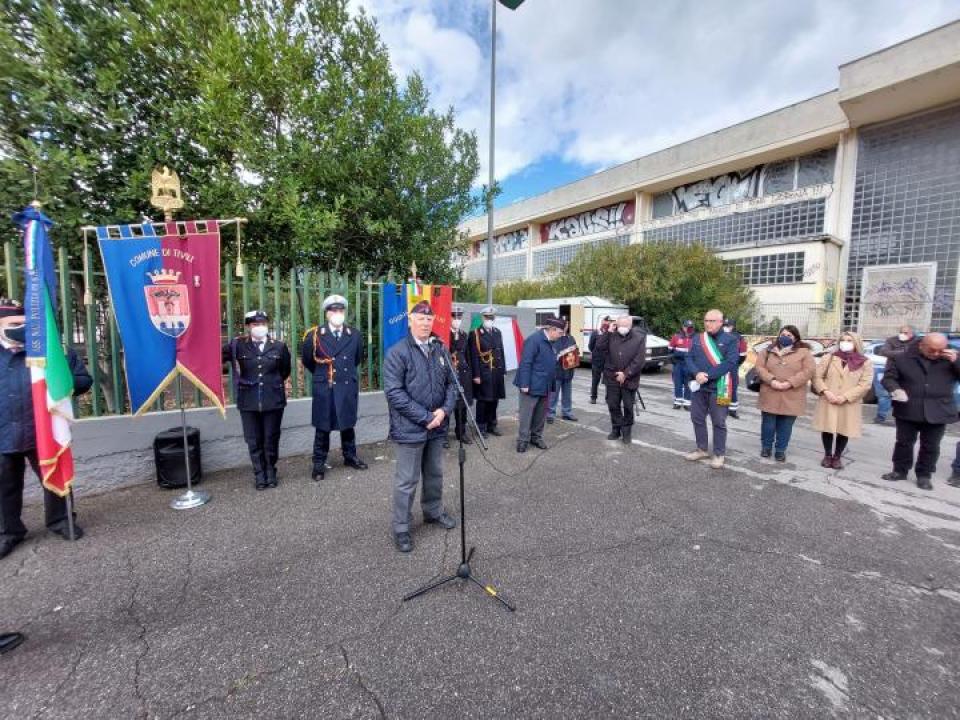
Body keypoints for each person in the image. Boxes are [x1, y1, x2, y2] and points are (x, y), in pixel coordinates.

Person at [1, 298, 92, 560]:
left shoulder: (49, 352)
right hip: (4, 430)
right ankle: (8, 532)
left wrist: (59, 377)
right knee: (4, 485)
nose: (22, 328)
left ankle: (61, 521)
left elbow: (84, 380)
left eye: (25, 323)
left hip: (42, 430)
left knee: (55, 479)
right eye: (15, 323)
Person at [383, 301, 458, 553]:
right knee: (407, 480)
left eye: (429, 320)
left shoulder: (440, 349)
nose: (425, 323)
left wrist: (444, 411)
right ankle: (402, 527)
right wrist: (426, 416)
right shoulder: (398, 352)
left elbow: (452, 384)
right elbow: (394, 393)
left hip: (436, 426)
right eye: (420, 319)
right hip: (410, 428)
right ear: (410, 321)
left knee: (435, 473)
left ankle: (433, 512)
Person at [301, 294, 368, 482]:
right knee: (323, 427)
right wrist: (324, 374)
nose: (338, 314)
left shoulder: (353, 334)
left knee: (347, 425)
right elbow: (308, 360)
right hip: (326, 385)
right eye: (334, 311)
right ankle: (319, 463)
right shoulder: (315, 335)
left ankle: (350, 456)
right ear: (327, 313)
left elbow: (356, 358)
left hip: (346, 384)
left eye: (340, 310)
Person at [881, 332, 960, 490]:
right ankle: (899, 470)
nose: (936, 354)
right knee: (904, 443)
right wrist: (895, 389)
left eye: (940, 350)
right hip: (908, 407)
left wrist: (957, 362)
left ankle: (924, 475)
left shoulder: (951, 358)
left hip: (938, 409)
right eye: (932, 350)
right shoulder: (902, 358)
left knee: (931, 446)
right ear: (921, 345)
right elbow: (888, 378)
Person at [224, 310, 291, 489]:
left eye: (262, 324)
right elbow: (215, 357)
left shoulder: (279, 346)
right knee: (253, 439)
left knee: (271, 438)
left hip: (273, 399)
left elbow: (284, 371)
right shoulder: (238, 345)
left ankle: (270, 471)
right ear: (248, 327)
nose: (259, 327)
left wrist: (270, 384)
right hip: (248, 400)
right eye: (255, 324)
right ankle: (259, 474)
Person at [684, 309, 739, 469]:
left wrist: (707, 375)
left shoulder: (730, 339)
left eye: (712, 321)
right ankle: (702, 449)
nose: (708, 323)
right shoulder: (697, 338)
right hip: (699, 386)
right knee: (697, 418)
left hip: (719, 387)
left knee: (719, 422)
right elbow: (688, 358)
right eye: (706, 320)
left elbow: (730, 363)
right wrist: (696, 373)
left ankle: (719, 454)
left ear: (721, 322)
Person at [812, 332, 873, 470]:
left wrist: (845, 397)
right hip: (829, 398)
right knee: (827, 428)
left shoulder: (865, 362)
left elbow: (865, 385)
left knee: (843, 429)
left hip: (849, 402)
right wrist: (826, 392)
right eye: (843, 340)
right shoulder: (829, 358)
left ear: (856, 343)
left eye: (849, 340)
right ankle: (828, 455)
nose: (845, 342)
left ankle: (837, 457)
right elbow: (817, 377)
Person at [755, 325, 815, 461]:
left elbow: (809, 371)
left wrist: (790, 382)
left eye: (789, 335)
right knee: (768, 424)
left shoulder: (804, 352)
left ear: (796, 337)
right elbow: (759, 367)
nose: (785, 337)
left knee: (785, 425)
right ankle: (766, 447)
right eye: (783, 334)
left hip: (792, 394)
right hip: (770, 391)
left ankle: (780, 450)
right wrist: (772, 380)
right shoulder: (768, 350)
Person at [515, 316, 565, 453]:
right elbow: (525, 362)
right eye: (560, 333)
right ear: (553, 329)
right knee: (526, 414)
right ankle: (522, 440)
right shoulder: (534, 340)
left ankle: (536, 437)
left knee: (540, 414)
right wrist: (524, 384)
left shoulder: (553, 341)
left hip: (545, 384)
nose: (561, 336)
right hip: (531, 385)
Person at [595, 315, 646, 444]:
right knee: (613, 404)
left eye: (626, 326)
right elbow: (599, 346)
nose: (623, 328)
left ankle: (627, 431)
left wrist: (626, 373)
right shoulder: (611, 335)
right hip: (611, 376)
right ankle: (616, 428)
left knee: (628, 406)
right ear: (616, 325)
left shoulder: (639, 338)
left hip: (630, 378)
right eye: (620, 326)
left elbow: (639, 360)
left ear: (630, 326)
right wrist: (608, 332)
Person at [469, 306, 506, 437]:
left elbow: (500, 351)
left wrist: (503, 370)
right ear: (482, 318)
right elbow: (473, 356)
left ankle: (492, 424)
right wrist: (476, 375)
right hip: (483, 373)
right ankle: (481, 427)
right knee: (483, 401)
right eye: (487, 317)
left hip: (496, 373)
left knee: (494, 400)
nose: (490, 319)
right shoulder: (475, 334)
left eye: (492, 317)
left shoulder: (497, 332)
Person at [873, 324, 916, 424]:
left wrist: (896, 353)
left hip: (910, 373)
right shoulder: (891, 340)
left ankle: (906, 419)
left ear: (912, 333)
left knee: (908, 396)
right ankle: (880, 417)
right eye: (901, 332)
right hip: (891, 372)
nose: (902, 334)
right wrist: (905, 352)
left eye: (905, 333)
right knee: (884, 395)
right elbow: (884, 352)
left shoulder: (917, 342)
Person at [445, 305, 473, 448]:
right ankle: (443, 436)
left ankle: (461, 432)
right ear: (448, 317)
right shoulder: (443, 334)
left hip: (463, 374)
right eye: (454, 316)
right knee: (447, 405)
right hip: (448, 375)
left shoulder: (463, 334)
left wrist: (470, 373)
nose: (457, 320)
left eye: (459, 317)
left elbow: (467, 355)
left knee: (462, 406)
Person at [547, 319, 578, 423]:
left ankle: (567, 413)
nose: (566, 326)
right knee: (553, 395)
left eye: (567, 324)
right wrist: (563, 353)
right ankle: (550, 414)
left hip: (568, 371)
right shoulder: (555, 337)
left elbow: (575, 352)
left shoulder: (571, 338)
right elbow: (554, 353)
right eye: (565, 324)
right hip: (556, 371)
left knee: (567, 395)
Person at [722, 317, 748, 419]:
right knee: (723, 386)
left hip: (733, 365)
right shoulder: (719, 335)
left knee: (733, 386)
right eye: (724, 325)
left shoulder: (739, 337)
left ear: (733, 326)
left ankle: (732, 410)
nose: (725, 327)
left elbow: (742, 354)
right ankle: (722, 409)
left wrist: (736, 364)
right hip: (722, 365)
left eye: (728, 326)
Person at [668, 320, 695, 410]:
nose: (688, 328)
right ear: (683, 327)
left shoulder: (695, 338)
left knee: (688, 384)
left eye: (690, 327)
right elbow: (670, 351)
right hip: (678, 364)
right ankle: (677, 402)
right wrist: (674, 361)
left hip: (689, 365)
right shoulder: (676, 337)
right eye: (686, 327)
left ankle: (687, 403)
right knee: (678, 383)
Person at [588, 316, 612, 404]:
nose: (606, 323)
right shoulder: (595, 333)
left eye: (608, 322)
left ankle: (608, 398)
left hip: (608, 360)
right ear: (602, 322)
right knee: (595, 380)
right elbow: (591, 346)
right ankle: (593, 397)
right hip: (597, 360)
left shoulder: (611, 333)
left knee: (608, 381)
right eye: (605, 321)